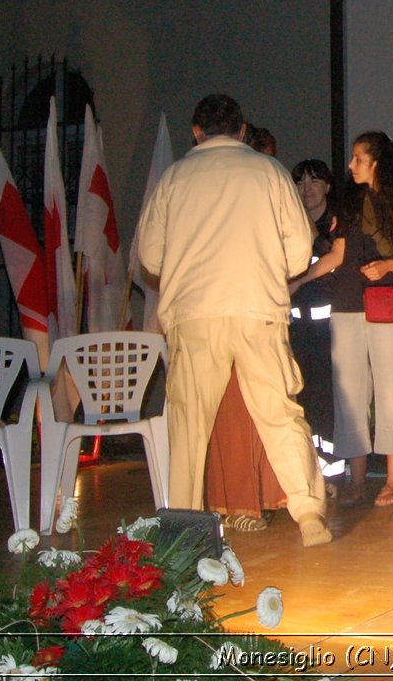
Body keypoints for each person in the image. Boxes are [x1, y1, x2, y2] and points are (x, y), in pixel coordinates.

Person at [135, 94, 329, 547]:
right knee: (280, 414)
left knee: (188, 426)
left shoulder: (174, 178)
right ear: (242, 130)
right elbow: (300, 250)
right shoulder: (269, 172)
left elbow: (148, 256)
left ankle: (183, 531)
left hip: (194, 314)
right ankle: (310, 516)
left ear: (196, 132)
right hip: (256, 308)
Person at [298, 132, 393, 508]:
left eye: (358, 158)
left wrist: (392, 264)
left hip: (388, 303)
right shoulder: (350, 201)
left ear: (377, 162)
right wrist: (298, 280)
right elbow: (337, 255)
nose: (351, 165)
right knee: (350, 395)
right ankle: (358, 482)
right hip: (346, 304)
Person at [201, 121, 288, 533]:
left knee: (263, 408)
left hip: (259, 311)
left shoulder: (270, 192)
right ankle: (234, 498)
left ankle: (264, 497)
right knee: (231, 411)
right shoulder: (216, 199)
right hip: (219, 312)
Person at [288, 159, 338, 457]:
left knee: (326, 395)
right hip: (295, 326)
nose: (307, 189)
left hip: (328, 329)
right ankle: (308, 458)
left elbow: (332, 258)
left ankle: (331, 462)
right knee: (300, 393)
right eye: (300, 182)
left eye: (314, 182)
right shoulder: (287, 223)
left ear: (328, 187)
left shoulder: (335, 224)